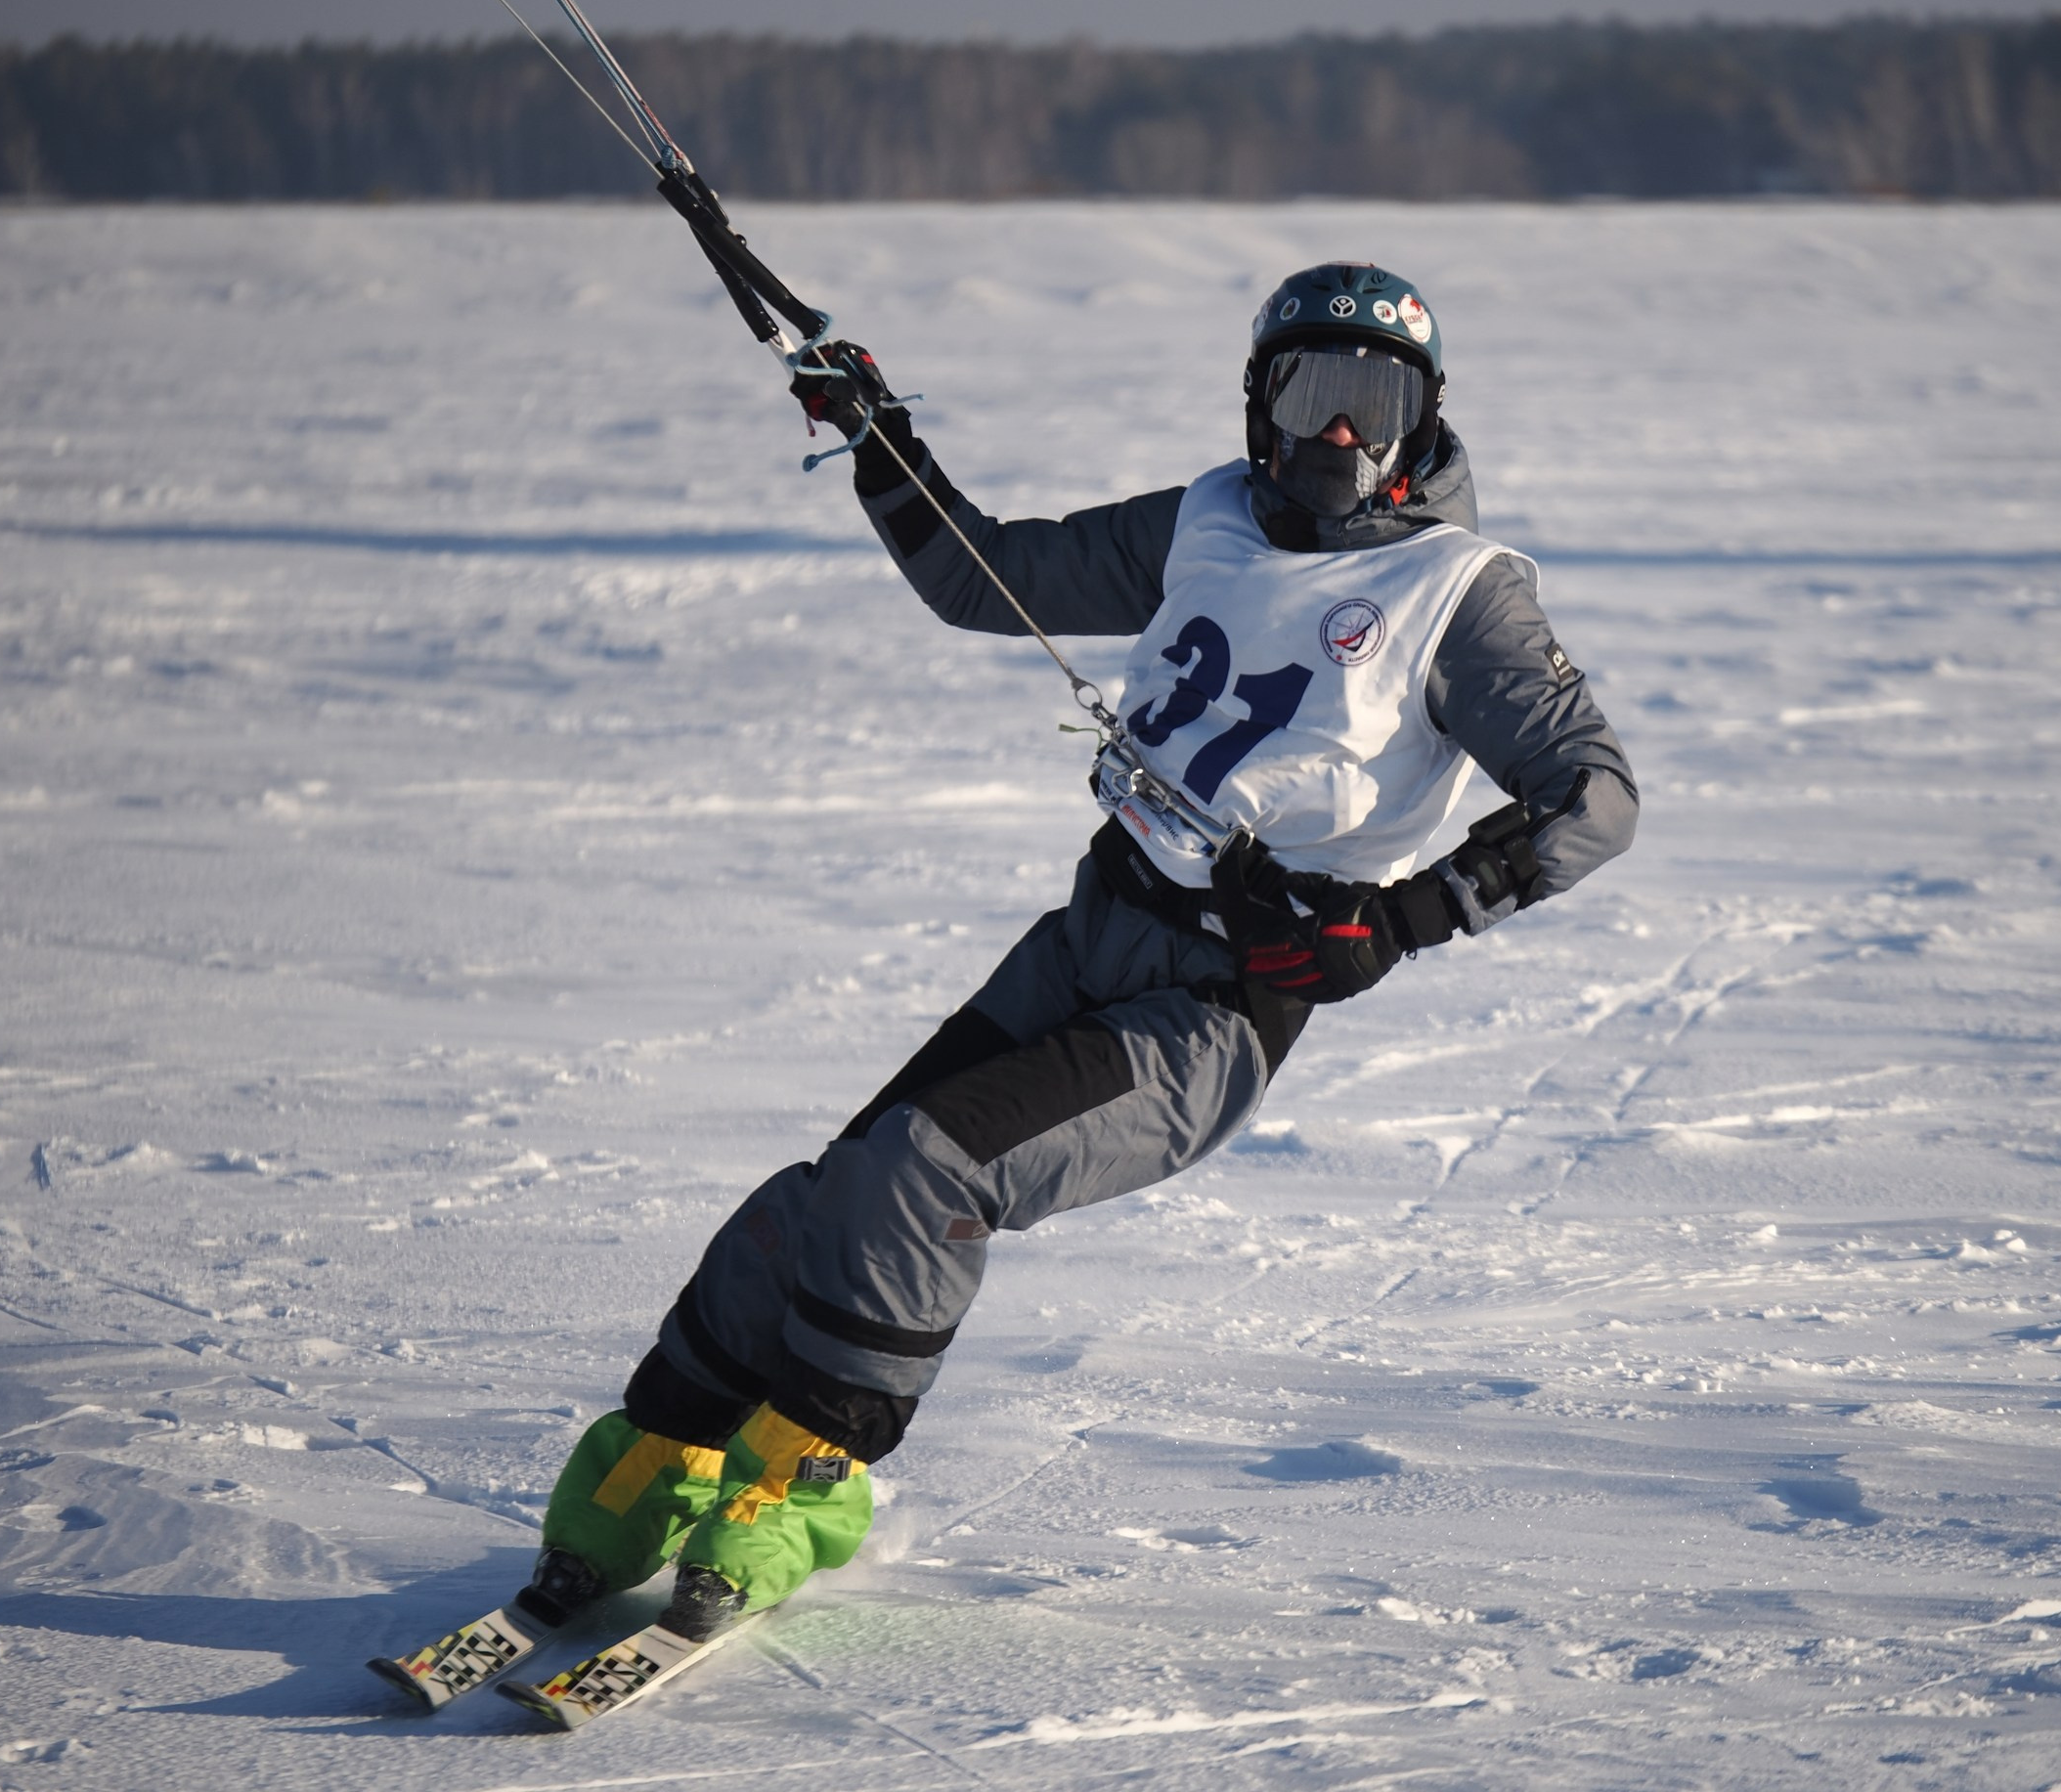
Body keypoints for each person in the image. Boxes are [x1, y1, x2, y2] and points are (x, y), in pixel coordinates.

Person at [517, 261, 1641, 1640]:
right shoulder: (1210, 520)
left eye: (1374, 403)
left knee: (926, 1170)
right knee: (829, 1198)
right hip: (1093, 934)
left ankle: (805, 1484)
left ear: (1422, 419)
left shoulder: (1457, 593)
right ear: (1258, 407)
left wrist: (1401, 921)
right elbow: (983, 577)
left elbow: (1594, 796)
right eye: (1310, 396)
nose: (1339, 438)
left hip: (1212, 1015)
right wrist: (883, 447)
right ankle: (649, 1471)